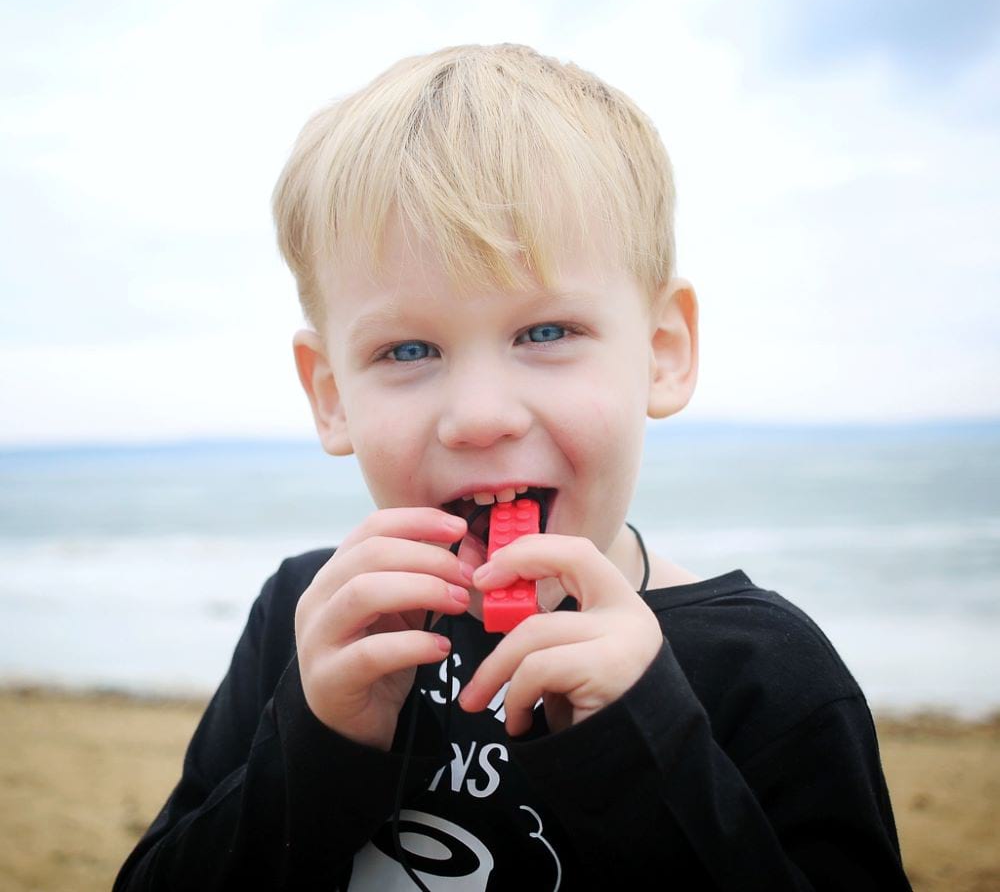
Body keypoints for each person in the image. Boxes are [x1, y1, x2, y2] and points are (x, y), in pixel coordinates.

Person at [114, 44, 911, 890]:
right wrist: (315, 745)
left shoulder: (764, 669)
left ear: (664, 352)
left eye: (546, 333)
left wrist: (648, 742)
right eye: (408, 348)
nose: (481, 416)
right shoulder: (310, 621)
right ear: (331, 395)